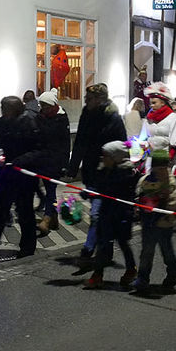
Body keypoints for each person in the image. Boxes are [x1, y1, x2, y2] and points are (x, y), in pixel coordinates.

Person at [0, 96, 44, 260]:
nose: (2, 109)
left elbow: (38, 150)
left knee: (25, 213)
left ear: (14, 109)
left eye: (4, 107)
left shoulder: (29, 124)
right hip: (4, 175)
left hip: (24, 177)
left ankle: (27, 247)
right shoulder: (0, 124)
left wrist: (20, 161)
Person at [67, 83, 126, 267]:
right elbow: (80, 142)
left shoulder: (113, 117)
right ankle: (103, 248)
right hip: (91, 171)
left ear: (100, 99)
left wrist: (113, 164)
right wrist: (73, 167)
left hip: (108, 174)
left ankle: (89, 248)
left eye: (89, 98)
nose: (86, 101)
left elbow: (122, 145)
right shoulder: (86, 113)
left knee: (97, 214)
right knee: (99, 213)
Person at [83, 141, 138, 290]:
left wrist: (100, 191)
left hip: (121, 215)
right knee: (103, 245)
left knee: (123, 244)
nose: (103, 158)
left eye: (106, 156)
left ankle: (131, 269)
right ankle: (98, 275)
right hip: (107, 214)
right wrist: (90, 191)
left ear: (115, 157)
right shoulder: (105, 170)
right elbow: (101, 187)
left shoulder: (126, 173)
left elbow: (114, 190)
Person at [132, 148, 176, 293]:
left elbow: (173, 202)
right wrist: (138, 209)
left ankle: (172, 275)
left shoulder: (170, 182)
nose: (158, 170)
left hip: (164, 224)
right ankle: (143, 278)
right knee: (147, 252)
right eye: (156, 166)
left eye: (162, 167)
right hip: (148, 224)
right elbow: (138, 196)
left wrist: (164, 213)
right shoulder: (145, 180)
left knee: (167, 251)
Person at [35, 88, 70, 236]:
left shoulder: (61, 118)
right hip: (42, 159)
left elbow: (65, 143)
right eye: (41, 105)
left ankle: (47, 219)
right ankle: (53, 218)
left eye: (45, 106)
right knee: (50, 191)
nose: (43, 108)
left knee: (50, 190)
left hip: (55, 161)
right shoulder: (40, 117)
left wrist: (64, 164)